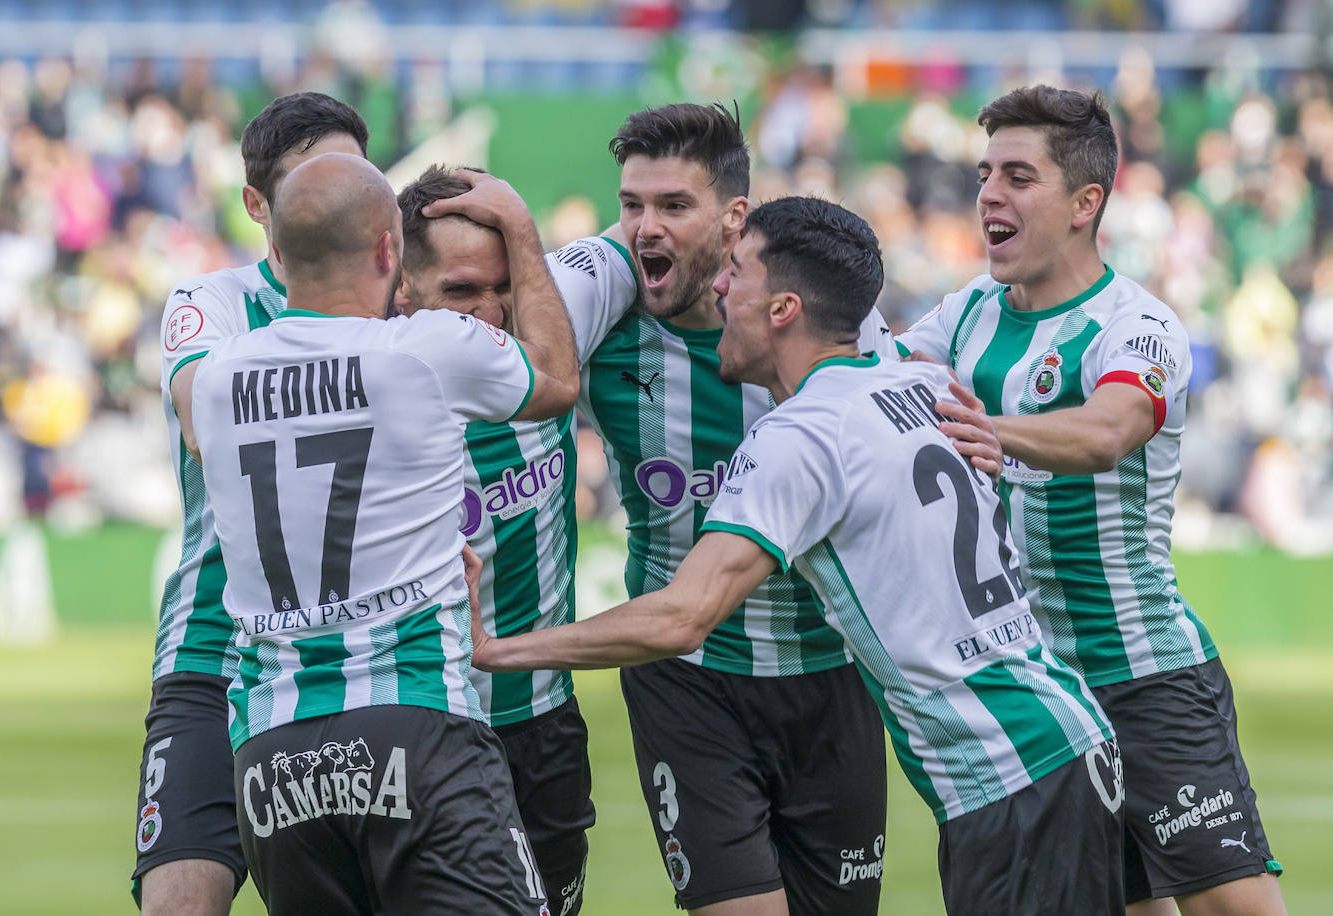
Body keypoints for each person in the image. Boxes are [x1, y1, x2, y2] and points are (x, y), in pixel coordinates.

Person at [474, 195, 1127, 916]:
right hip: (1061, 740)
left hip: (1011, 776)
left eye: (739, 274)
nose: (720, 286)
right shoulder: (925, 384)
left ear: (782, 308)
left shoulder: (806, 433)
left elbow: (683, 618)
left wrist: (497, 650)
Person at [897, 85, 1287, 916]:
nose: (989, 195)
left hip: (1143, 674)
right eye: (984, 173)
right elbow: (875, 388)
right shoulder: (965, 314)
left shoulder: (1137, 325)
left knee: (1235, 909)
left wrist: (990, 432)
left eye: (1018, 176)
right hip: (1036, 693)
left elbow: (1108, 430)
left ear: (1085, 202)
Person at [183, 152, 578, 913]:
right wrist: (523, 233)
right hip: (414, 718)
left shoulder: (212, 379)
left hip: (272, 753)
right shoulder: (423, 348)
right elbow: (556, 382)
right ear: (389, 252)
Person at [573, 101, 906, 916]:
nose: (644, 229)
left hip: (830, 677)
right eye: (632, 206)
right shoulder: (602, 327)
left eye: (672, 207)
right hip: (688, 682)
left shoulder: (834, 334)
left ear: (734, 220)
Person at [134, 91, 368, 916]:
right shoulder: (214, 303)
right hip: (213, 647)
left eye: (350, 176)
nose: (332, 198)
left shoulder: (404, 309)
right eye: (310, 180)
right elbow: (206, 421)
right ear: (256, 205)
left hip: (353, 663)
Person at [392, 164, 639, 916]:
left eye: (505, 285)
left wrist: (526, 236)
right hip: (424, 721)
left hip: (542, 719)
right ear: (400, 286)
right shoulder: (368, 378)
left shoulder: (550, 311)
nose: (491, 314)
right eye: (462, 293)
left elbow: (667, 227)